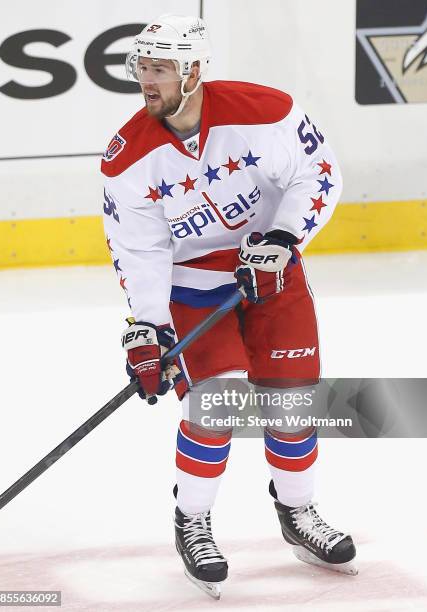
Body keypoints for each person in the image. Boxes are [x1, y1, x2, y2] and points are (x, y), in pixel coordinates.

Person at [102, 13, 357, 599]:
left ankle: (297, 512)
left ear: (193, 72)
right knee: (218, 407)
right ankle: (191, 519)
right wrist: (149, 329)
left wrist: (283, 237)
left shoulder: (263, 112)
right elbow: (139, 251)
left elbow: (320, 174)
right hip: (192, 286)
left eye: (160, 69)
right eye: (143, 67)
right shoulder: (127, 157)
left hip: (269, 270)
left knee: (291, 402)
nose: (147, 80)